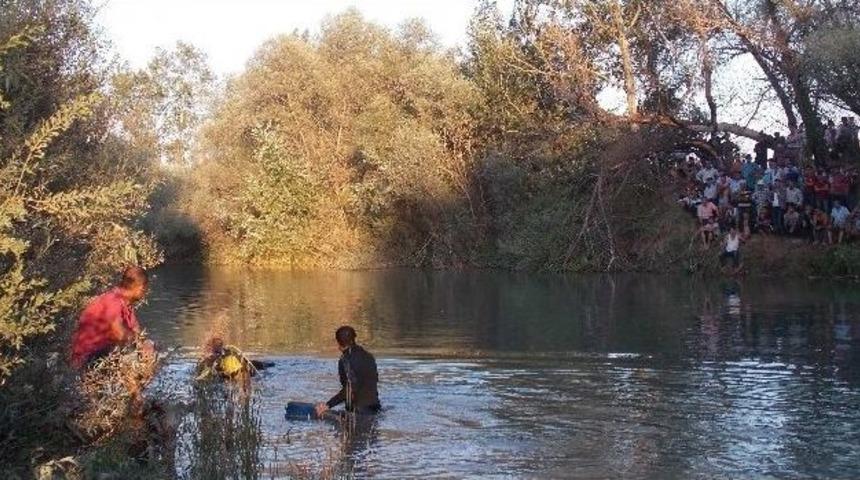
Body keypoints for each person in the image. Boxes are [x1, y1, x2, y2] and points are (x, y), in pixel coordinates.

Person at [70, 266, 152, 369]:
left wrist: (145, 343)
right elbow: (119, 334)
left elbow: (136, 330)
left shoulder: (126, 304)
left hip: (103, 354)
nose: (145, 292)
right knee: (132, 358)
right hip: (88, 358)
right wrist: (137, 341)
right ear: (141, 287)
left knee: (151, 350)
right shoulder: (112, 300)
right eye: (145, 288)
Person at [316, 326, 381, 417]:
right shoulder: (369, 357)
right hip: (375, 409)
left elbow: (350, 389)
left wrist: (328, 405)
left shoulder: (345, 360)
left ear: (338, 343)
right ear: (354, 339)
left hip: (357, 413)